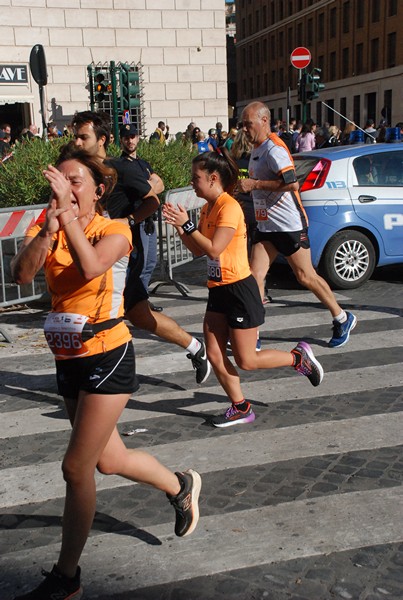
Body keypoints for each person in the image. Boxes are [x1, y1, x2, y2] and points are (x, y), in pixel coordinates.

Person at [10, 142, 201, 600]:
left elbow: (93, 265)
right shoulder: (52, 225)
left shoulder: (114, 227)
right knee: (109, 461)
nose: (66, 189)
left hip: (108, 353)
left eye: (75, 182)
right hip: (68, 355)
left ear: (98, 191)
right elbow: (20, 274)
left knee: (77, 468)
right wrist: (46, 230)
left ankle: (67, 578)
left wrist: (69, 220)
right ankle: (179, 485)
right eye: (61, 181)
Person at [162, 149, 324, 428]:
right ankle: (240, 407)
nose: (191, 182)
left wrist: (186, 225)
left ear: (213, 179)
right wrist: (180, 228)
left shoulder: (229, 207)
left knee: (247, 360)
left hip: (239, 289)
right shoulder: (206, 208)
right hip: (218, 289)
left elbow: (215, 248)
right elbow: (199, 250)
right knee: (213, 353)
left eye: (195, 177)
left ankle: (297, 357)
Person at [71, 111, 211, 384]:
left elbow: (153, 201)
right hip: (95, 254)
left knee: (122, 313)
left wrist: (127, 220)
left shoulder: (119, 169)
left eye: (82, 136)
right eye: (75, 136)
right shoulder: (79, 170)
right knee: (139, 315)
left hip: (123, 256)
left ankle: (106, 371)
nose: (77, 142)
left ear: (102, 140)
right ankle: (196, 347)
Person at [238, 101, 357, 348]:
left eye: (248, 124)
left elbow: (293, 184)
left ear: (263, 121)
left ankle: (342, 317)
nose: (244, 130)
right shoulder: (258, 149)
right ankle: (254, 335)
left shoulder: (275, 149)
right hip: (266, 225)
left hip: (288, 225)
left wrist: (255, 185)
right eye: (243, 125)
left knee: (305, 276)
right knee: (255, 276)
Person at [119, 123, 163, 311]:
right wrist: (148, 186)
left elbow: (160, 184)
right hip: (134, 219)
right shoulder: (121, 165)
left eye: (133, 136)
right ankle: (131, 303)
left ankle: (140, 299)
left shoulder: (143, 164)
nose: (130, 140)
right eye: (127, 137)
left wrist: (146, 186)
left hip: (148, 220)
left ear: (138, 138)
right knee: (138, 264)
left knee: (150, 262)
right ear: (121, 140)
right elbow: (146, 189)